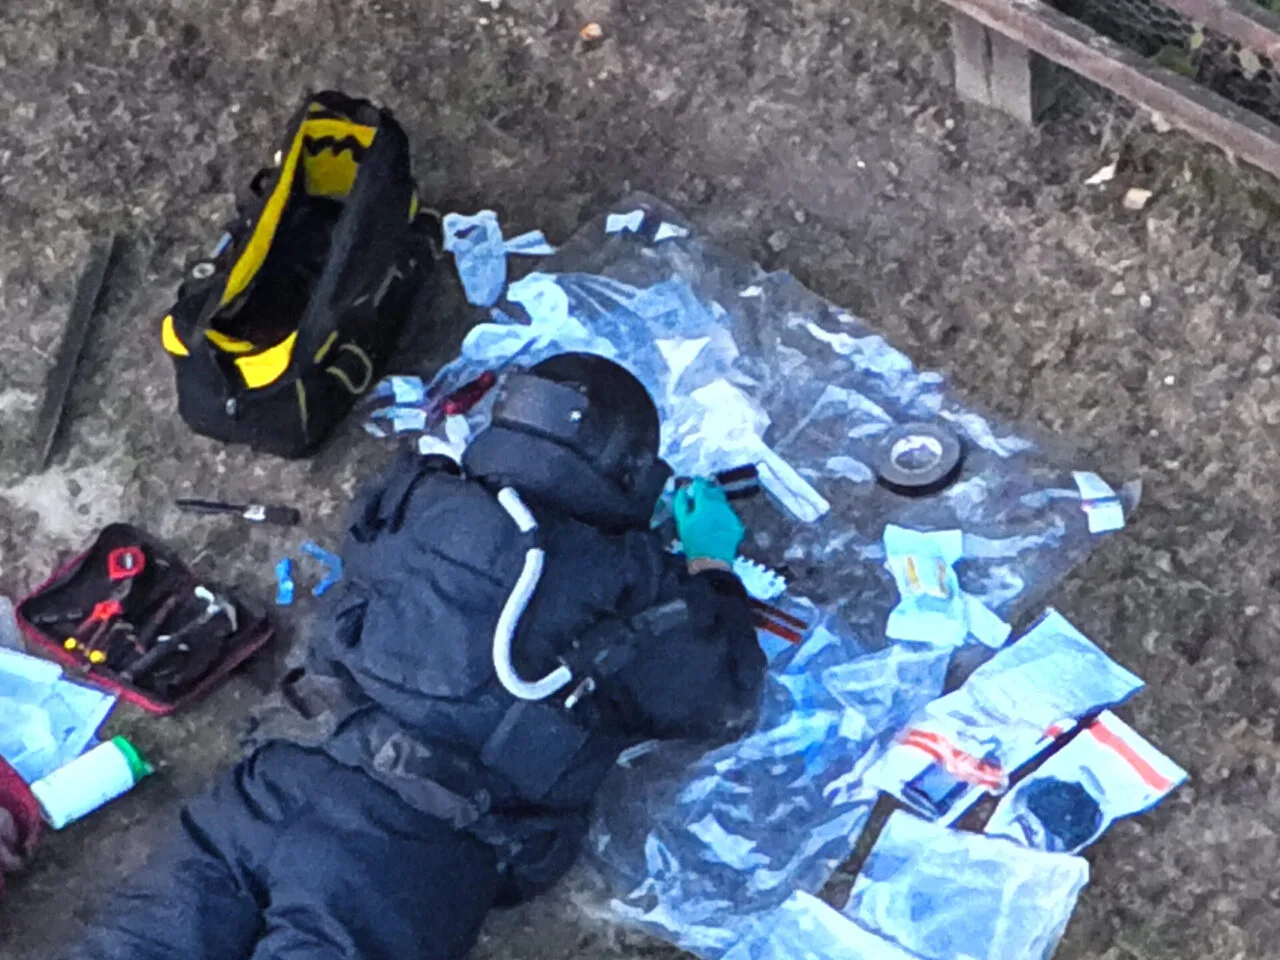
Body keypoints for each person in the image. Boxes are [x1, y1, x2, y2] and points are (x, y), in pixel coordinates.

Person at [65, 353, 766, 960]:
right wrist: (709, 563)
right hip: (395, 859)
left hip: (270, 787)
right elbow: (722, 696)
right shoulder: (634, 592)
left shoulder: (415, 499)